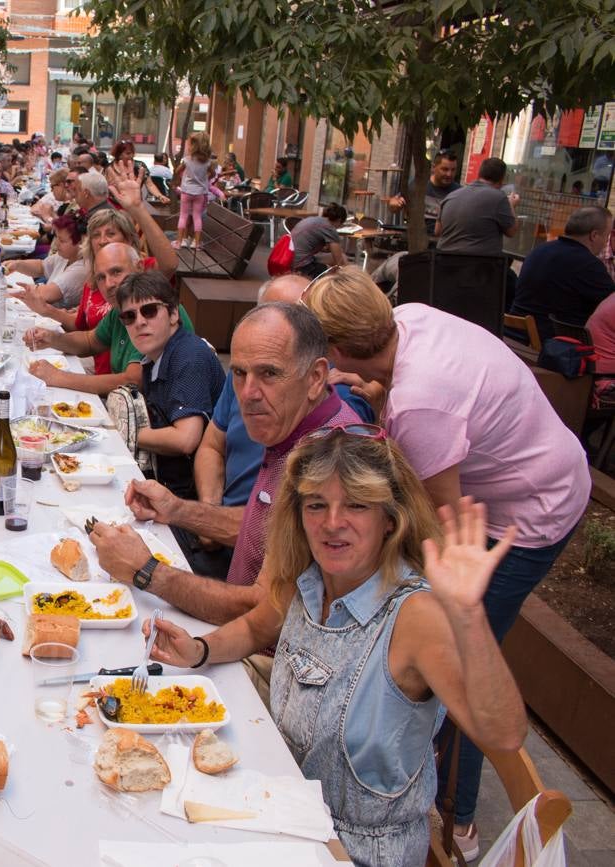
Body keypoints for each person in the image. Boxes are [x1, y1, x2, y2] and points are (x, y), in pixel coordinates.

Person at [303, 266, 590, 856]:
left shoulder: (420, 406)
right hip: (547, 468)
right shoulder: (409, 321)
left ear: (335, 351)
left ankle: (456, 818)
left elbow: (442, 521)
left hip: (533, 513)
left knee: (462, 653)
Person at [143, 435, 527, 867]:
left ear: (390, 518)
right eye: (317, 505)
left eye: (358, 505)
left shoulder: (415, 615)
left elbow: (504, 734)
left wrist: (469, 616)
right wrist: (198, 650)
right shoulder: (308, 575)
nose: (332, 523)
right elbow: (255, 626)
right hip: (286, 813)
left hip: (358, 852)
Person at [88, 303, 360, 645]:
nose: (247, 394)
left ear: (316, 377)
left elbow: (263, 611)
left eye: (269, 374)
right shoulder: (294, 426)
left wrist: (146, 571)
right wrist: (176, 509)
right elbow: (264, 529)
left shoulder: (333, 459)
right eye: (240, 373)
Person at [24, 241, 194, 396]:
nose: (109, 284)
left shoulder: (152, 311)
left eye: (116, 272)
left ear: (140, 267)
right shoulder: (121, 309)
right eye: (101, 278)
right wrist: (52, 338)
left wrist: (58, 377)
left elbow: (133, 381)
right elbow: (90, 341)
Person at [119, 271, 225, 499]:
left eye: (149, 310)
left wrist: (125, 432)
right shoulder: (156, 356)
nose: (139, 322)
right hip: (172, 480)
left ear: (174, 313)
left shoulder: (188, 357)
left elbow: (185, 439)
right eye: (129, 316)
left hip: (196, 496)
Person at [511, 205, 615, 340]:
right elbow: (611, 307)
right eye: (606, 236)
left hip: (514, 334)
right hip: (550, 346)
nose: (605, 242)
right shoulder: (587, 264)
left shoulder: (539, 250)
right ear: (594, 235)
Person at [4, 214, 90, 320]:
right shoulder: (66, 256)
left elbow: (44, 294)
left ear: (81, 243)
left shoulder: (81, 268)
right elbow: (42, 267)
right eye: (56, 238)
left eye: (62, 241)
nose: (57, 243)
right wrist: (17, 264)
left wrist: (4, 292)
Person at [433, 157, 519, 255]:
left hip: (443, 261)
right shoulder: (499, 197)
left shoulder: (451, 196)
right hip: (477, 265)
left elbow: (437, 231)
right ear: (502, 179)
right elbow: (511, 231)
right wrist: (511, 205)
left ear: (479, 174)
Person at [387, 149, 460, 233]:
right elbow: (393, 205)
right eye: (445, 169)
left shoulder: (459, 193)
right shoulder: (418, 185)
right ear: (433, 167)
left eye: (453, 170)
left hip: (443, 241)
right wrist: (394, 203)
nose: (449, 174)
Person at [290, 203, 348, 277]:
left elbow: (311, 243)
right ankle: (344, 284)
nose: (338, 228)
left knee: (342, 257)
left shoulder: (314, 220)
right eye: (340, 225)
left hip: (290, 259)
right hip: (302, 266)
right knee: (339, 267)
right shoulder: (330, 228)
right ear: (339, 220)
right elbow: (339, 261)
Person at [177, 133, 214, 248]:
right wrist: (204, 179)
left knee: (183, 215)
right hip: (200, 193)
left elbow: (178, 170)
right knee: (197, 216)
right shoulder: (208, 162)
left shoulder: (187, 160)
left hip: (186, 191)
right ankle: (196, 243)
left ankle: (180, 241)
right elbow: (212, 174)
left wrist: (184, 177)